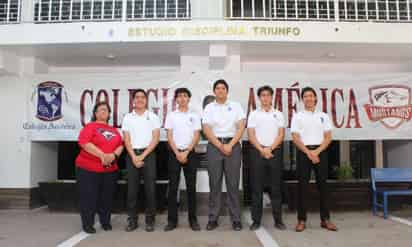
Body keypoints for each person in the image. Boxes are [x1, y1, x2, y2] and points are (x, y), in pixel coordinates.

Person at [291, 86, 338, 232]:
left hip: (321, 152)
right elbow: (295, 137)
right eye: (305, 96)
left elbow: (328, 137)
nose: (308, 98)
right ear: (302, 99)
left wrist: (316, 151)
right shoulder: (298, 116)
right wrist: (308, 152)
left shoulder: (323, 116)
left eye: (311, 96)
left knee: (323, 186)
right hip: (304, 152)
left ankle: (325, 220)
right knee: (302, 187)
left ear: (315, 98)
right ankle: (301, 220)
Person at [202, 79, 246, 231]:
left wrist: (230, 144)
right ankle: (213, 218)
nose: (220, 91)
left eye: (223, 88)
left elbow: (241, 127)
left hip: (233, 146)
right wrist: (220, 145)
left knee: (233, 185)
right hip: (214, 146)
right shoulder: (209, 108)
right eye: (218, 88)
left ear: (227, 91)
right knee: (214, 184)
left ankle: (236, 219)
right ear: (214, 92)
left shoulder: (236, 106)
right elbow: (206, 129)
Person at [75, 101, 123, 234]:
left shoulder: (114, 130)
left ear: (109, 114)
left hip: (109, 170)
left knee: (106, 197)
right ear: (95, 113)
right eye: (101, 110)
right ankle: (87, 224)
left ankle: (105, 222)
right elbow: (84, 143)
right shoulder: (90, 127)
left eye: (106, 110)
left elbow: (121, 145)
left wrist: (113, 155)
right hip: (88, 169)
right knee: (88, 197)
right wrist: (102, 155)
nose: (103, 112)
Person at [247, 86, 286, 231]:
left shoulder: (279, 114)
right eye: (262, 95)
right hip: (258, 152)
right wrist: (262, 149)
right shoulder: (253, 114)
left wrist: (270, 149)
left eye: (268, 95)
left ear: (272, 97)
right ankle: (256, 221)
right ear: (259, 98)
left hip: (274, 152)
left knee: (276, 188)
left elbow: (281, 135)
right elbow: (251, 135)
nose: (265, 98)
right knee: (256, 188)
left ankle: (278, 220)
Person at [122, 89, 161, 232]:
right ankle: (132, 221)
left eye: (142, 97)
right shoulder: (127, 118)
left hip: (148, 155)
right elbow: (126, 139)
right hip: (132, 155)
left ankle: (150, 220)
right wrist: (133, 156)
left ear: (146, 100)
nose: (139, 99)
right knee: (132, 191)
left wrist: (142, 156)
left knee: (150, 190)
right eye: (137, 97)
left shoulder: (153, 116)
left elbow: (156, 139)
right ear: (133, 101)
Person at [164, 88, 201, 232]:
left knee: (191, 188)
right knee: (173, 188)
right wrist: (177, 153)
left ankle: (193, 220)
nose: (182, 98)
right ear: (176, 99)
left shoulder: (194, 115)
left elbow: (196, 135)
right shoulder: (171, 115)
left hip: (190, 153)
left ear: (189, 99)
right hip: (174, 154)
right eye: (179, 96)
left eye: (185, 96)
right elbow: (169, 136)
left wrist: (186, 152)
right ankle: (172, 221)